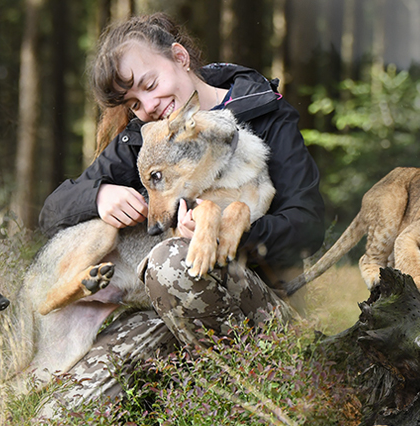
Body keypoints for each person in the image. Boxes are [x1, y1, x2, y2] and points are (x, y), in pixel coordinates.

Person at [39, 13, 325, 347]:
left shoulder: (265, 113)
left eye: (150, 85)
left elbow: (309, 226)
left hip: (262, 300)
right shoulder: (145, 137)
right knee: (76, 382)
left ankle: (244, 370)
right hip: (168, 302)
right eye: (133, 103)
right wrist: (98, 196)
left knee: (170, 261)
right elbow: (52, 212)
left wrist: (232, 232)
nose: (149, 106)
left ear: (180, 57)